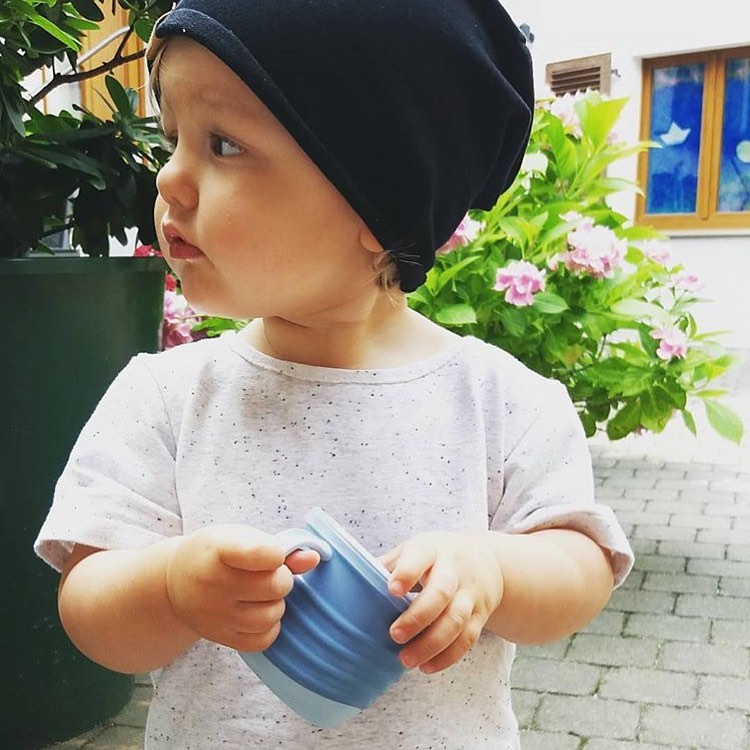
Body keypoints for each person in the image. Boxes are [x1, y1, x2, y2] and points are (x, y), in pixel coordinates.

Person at [35, 1, 634, 748]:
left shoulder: (502, 401)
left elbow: (581, 566)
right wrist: (170, 589)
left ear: (379, 204)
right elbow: (88, 606)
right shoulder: (164, 397)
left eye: (223, 145)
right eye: (172, 139)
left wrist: (495, 571)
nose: (172, 181)